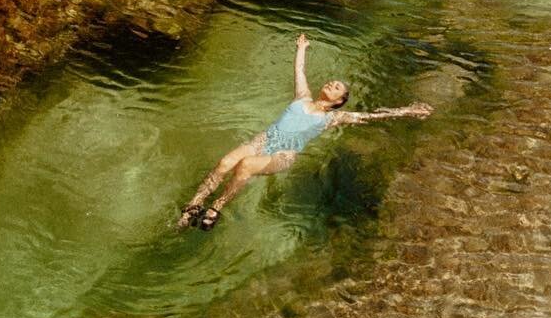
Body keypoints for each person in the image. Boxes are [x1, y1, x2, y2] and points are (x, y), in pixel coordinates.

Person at [177, 32, 432, 230]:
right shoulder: (302, 97)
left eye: (336, 88)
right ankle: (195, 203)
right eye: (332, 82)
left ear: (338, 101)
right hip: (264, 140)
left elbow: (372, 116)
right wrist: (301, 48)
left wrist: (408, 111)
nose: (331, 84)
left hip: (283, 154)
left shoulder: (333, 118)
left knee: (245, 166)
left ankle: (217, 206)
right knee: (225, 162)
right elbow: (299, 71)